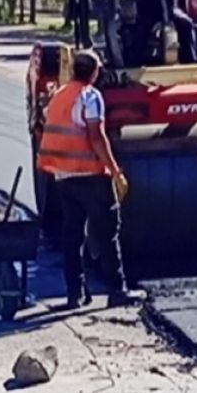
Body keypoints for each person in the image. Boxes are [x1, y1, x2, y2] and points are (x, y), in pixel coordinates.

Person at [36, 50, 134, 308]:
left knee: (73, 234)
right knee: (107, 233)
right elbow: (97, 137)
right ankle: (117, 290)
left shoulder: (59, 96)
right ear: (95, 72)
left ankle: (74, 293)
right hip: (91, 176)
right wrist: (116, 172)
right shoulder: (90, 97)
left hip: (64, 177)